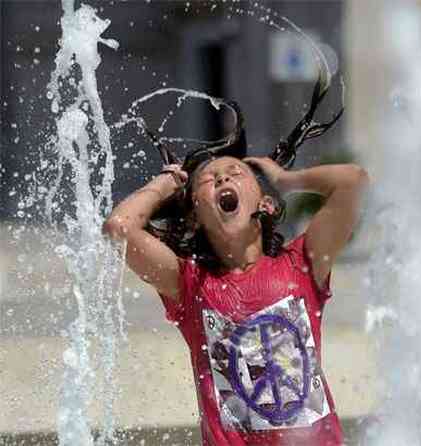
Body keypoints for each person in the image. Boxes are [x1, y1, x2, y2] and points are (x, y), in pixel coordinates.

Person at [103, 74, 366, 445]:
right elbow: (120, 228)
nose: (222, 176)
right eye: (208, 181)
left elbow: (353, 182)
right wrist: (167, 183)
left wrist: (286, 179)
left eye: (236, 173)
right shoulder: (190, 286)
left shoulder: (302, 265)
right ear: (195, 215)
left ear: (265, 203)